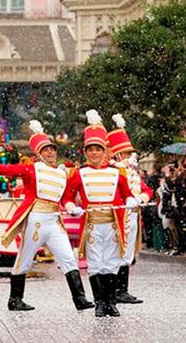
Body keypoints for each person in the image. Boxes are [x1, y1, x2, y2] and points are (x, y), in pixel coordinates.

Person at [0, 120, 93, 312]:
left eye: (52, 149)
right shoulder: (32, 168)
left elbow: (66, 196)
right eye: (46, 150)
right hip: (36, 219)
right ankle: (15, 299)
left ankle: (80, 298)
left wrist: (70, 206)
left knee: (67, 257)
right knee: (24, 258)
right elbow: (9, 170)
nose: (50, 152)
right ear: (38, 154)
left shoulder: (62, 173)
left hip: (54, 220)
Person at [61, 110, 136, 318]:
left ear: (104, 152)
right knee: (95, 263)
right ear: (86, 153)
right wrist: (71, 208)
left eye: (97, 149)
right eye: (90, 150)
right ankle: (99, 303)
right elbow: (66, 197)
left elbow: (127, 194)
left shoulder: (116, 173)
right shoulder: (79, 173)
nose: (94, 153)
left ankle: (111, 302)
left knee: (111, 262)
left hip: (112, 224)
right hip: (92, 224)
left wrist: (131, 202)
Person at [107, 114, 153, 304]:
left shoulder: (132, 171)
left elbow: (146, 189)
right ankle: (114, 290)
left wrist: (141, 197)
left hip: (133, 214)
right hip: (118, 214)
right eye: (127, 153)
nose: (131, 156)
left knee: (127, 254)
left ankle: (122, 289)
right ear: (118, 154)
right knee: (116, 252)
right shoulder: (113, 170)